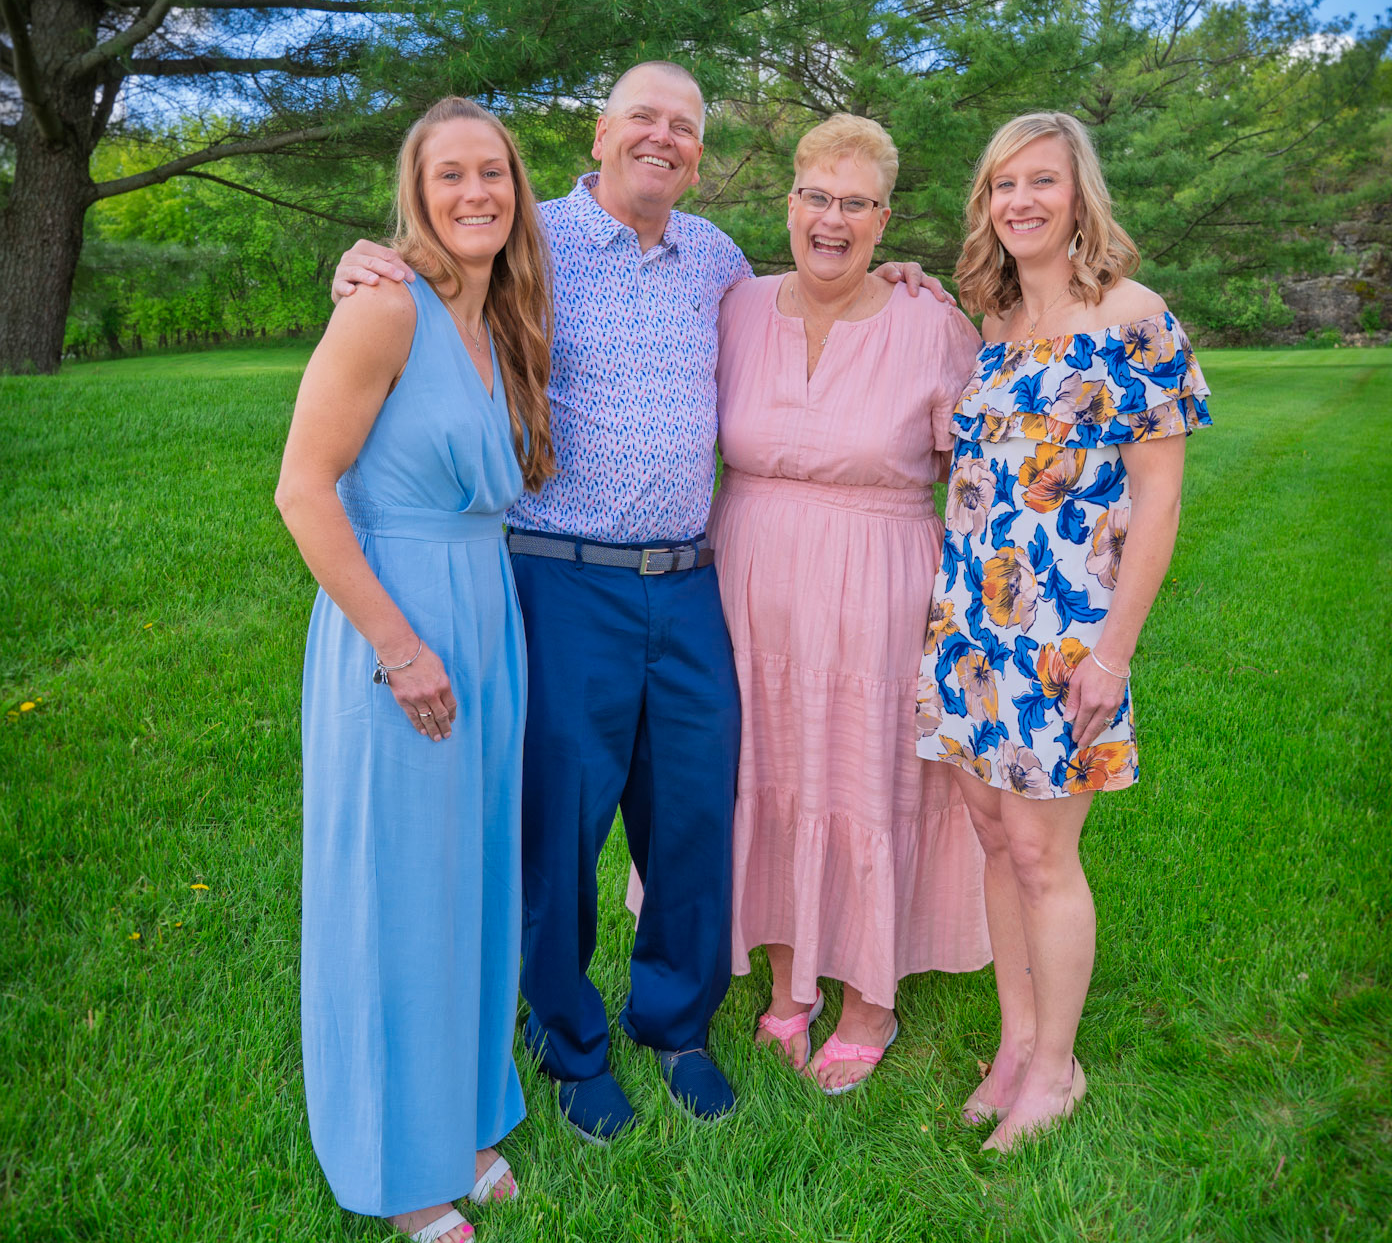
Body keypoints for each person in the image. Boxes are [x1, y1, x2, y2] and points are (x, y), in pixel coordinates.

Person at [332, 63, 943, 1144]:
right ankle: (568, 1040)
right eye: (643, 118)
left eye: (684, 126)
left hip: (693, 582)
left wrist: (896, 275)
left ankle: (676, 1025)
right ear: (600, 132)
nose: (662, 137)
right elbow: (431, 272)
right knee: (562, 824)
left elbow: (814, 290)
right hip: (564, 576)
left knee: (695, 816)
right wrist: (364, 261)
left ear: (699, 156)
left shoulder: (716, 261)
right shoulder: (531, 240)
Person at [276, 97, 554, 1243]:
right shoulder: (384, 307)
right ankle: (395, 1161)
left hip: (485, 611)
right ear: (417, 191)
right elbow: (303, 489)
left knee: (472, 876)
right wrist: (398, 645)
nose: (475, 191)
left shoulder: (502, 315)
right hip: (395, 622)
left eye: (493, 171)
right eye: (451, 174)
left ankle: (465, 1116)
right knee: (396, 890)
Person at [915, 110, 1211, 1150]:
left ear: (1079, 192)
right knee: (995, 841)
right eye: (1003, 185)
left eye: (1041, 180)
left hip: (1065, 633)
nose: (1020, 201)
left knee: (1044, 854)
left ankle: (1057, 1069)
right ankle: (1014, 1045)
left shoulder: (1132, 316)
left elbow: (1160, 503)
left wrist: (1111, 653)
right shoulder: (992, 320)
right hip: (970, 624)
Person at [710, 115, 990, 1090]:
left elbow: (978, 477)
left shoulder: (931, 323)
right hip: (747, 588)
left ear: (884, 220)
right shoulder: (737, 304)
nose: (832, 219)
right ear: (789, 202)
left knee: (868, 780)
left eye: (855, 203)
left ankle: (872, 995)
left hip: (879, 588)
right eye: (816, 196)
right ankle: (790, 982)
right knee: (775, 770)